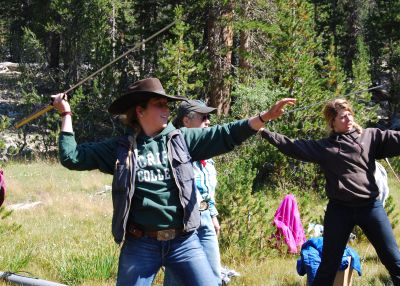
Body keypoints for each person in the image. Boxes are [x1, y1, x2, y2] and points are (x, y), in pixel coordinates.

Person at [51, 77, 295, 286]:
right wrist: (66, 113)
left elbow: (225, 134)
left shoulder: (182, 140)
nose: (167, 110)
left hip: (183, 242)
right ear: (140, 110)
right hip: (141, 244)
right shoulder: (120, 148)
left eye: (167, 104)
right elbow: (72, 157)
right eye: (159, 105)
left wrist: (264, 117)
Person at [260, 98, 400, 285]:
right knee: (328, 265)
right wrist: (264, 132)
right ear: (332, 123)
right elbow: (292, 146)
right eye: (342, 116)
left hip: (370, 208)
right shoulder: (325, 147)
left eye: (350, 114)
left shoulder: (370, 136)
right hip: (340, 211)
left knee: (393, 259)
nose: (348, 118)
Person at [164, 100, 221, 285]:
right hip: (184, 222)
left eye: (209, 117)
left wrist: (212, 214)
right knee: (178, 279)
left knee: (213, 276)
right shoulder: (173, 152)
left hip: (205, 219)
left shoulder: (207, 154)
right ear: (186, 122)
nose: (208, 121)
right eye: (203, 117)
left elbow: (206, 190)